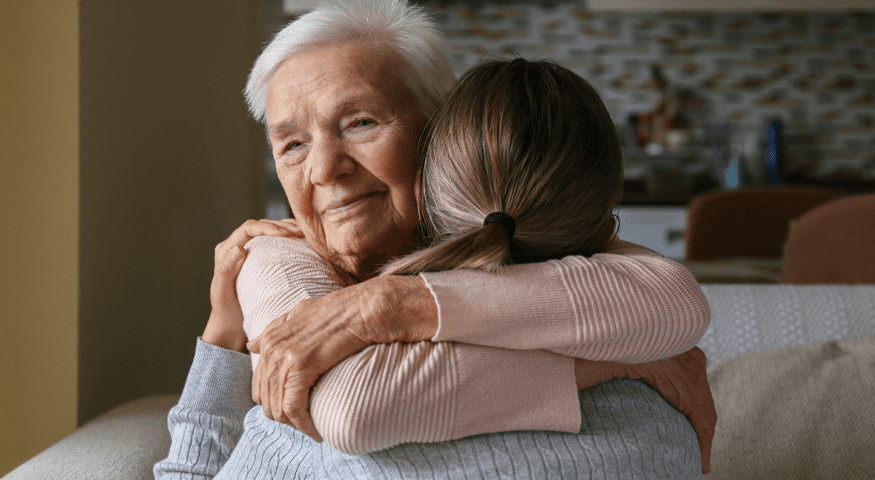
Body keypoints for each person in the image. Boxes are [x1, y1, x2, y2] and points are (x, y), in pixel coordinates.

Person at [155, 1, 714, 478]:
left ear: (438, 136)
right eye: (293, 144)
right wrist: (224, 339)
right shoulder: (279, 265)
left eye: (361, 123)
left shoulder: (577, 266)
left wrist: (389, 303)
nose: (325, 169)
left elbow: (672, 295)